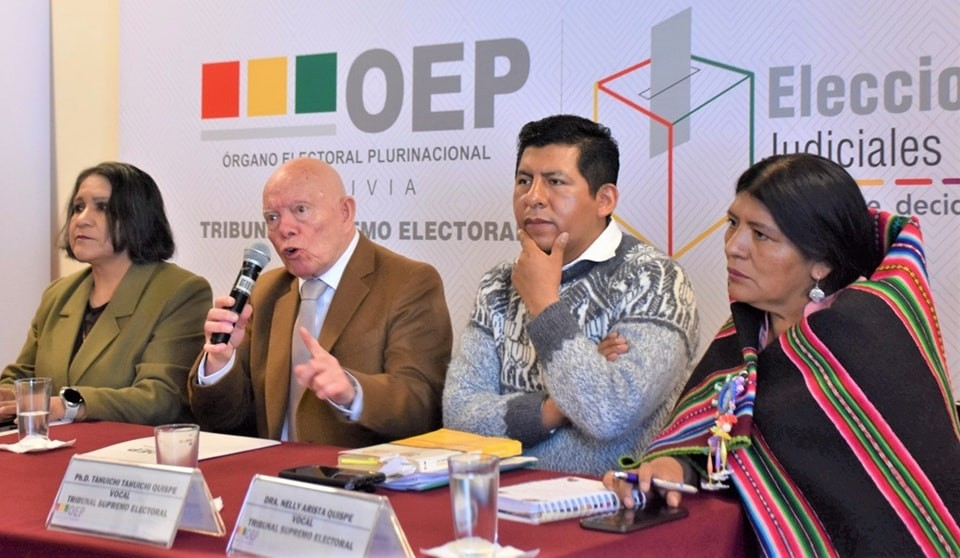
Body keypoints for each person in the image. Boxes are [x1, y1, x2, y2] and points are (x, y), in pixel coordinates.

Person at [604, 153, 960, 556]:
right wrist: (676, 466)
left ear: (822, 262)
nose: (733, 247)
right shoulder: (744, 333)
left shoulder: (865, 336)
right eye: (733, 224)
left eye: (761, 235)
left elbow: (884, 507)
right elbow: (717, 440)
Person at [443, 114, 700, 476]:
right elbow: (458, 416)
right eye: (524, 180)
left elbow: (608, 413)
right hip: (500, 497)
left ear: (604, 199)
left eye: (555, 182)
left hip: (605, 502)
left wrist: (544, 304)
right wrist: (555, 408)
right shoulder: (498, 283)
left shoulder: (655, 280)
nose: (533, 198)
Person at [188, 157, 453, 447]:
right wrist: (220, 362)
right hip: (271, 470)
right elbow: (225, 420)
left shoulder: (408, 282)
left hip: (353, 470)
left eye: (300, 210)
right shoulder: (265, 291)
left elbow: (423, 405)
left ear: (345, 212)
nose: (285, 228)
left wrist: (353, 392)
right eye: (272, 217)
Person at [0, 162, 211, 425]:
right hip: (54, 446)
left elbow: (161, 397)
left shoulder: (181, 291)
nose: (82, 219)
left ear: (138, 216)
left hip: (135, 448)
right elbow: (23, 376)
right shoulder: (58, 294)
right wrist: (9, 395)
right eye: (78, 207)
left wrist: (69, 405)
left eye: (102, 207)